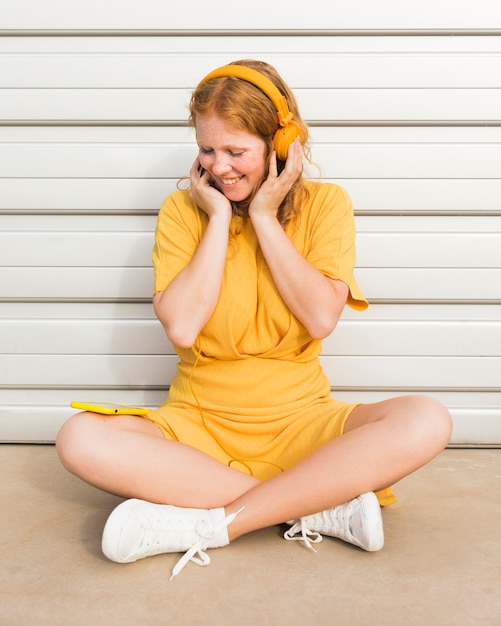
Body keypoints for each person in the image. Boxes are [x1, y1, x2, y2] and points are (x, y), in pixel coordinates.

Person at [56, 59, 452, 580]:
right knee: (79, 437)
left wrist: (265, 217)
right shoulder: (182, 211)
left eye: (236, 151)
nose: (219, 167)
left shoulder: (327, 205)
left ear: (280, 147)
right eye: (206, 149)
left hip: (302, 420)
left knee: (427, 418)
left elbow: (319, 318)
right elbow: (182, 327)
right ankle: (316, 503)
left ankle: (208, 522)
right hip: (199, 425)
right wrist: (218, 219)